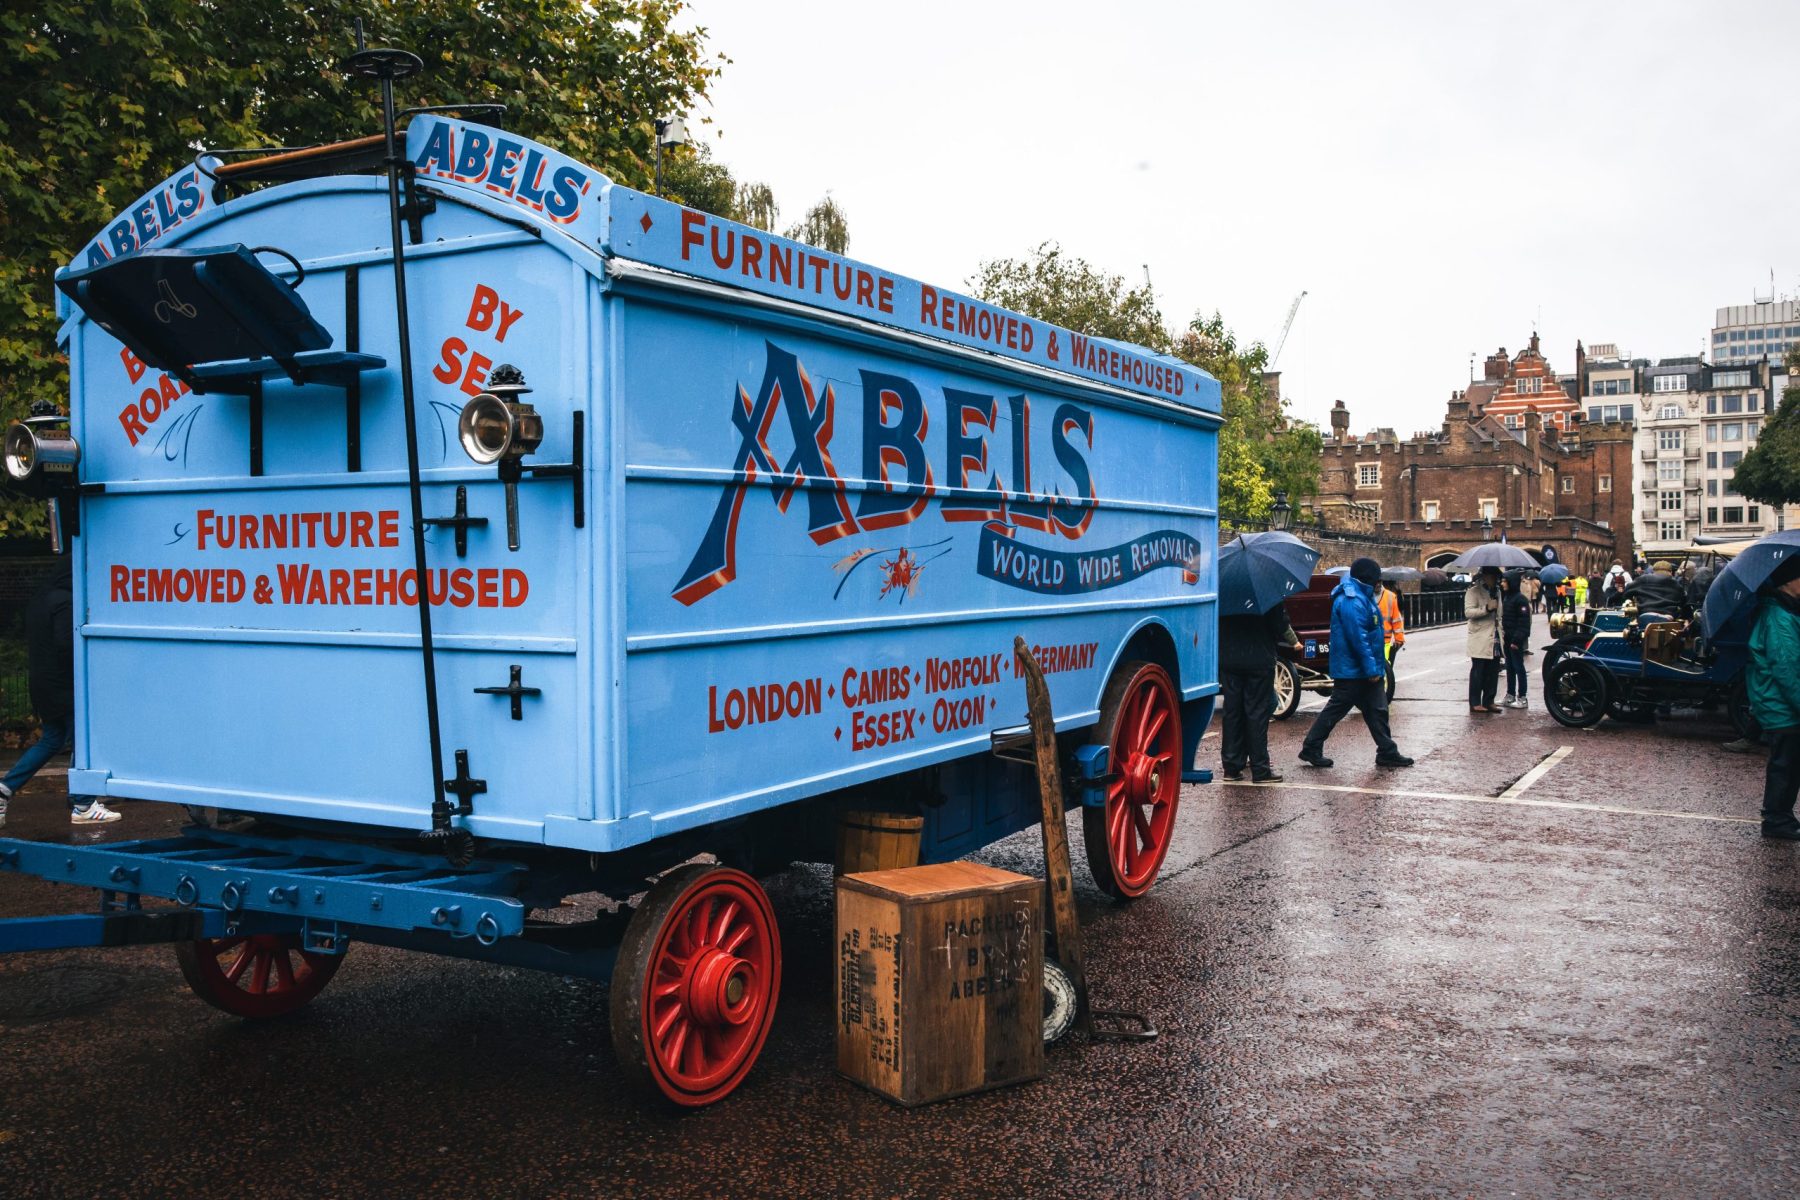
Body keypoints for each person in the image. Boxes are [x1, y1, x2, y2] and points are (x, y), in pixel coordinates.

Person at [0, 563, 121, 826]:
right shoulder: (65, 602)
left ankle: (4, 790)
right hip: (63, 685)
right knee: (83, 739)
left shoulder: (40, 600)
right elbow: (67, 645)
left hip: (42, 683)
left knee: (52, 739)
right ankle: (83, 803)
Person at [1298, 558, 1413, 770]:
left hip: (1361, 668)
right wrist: (1371, 669)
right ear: (1368, 579)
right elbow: (1358, 638)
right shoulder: (1352, 600)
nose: (1380, 584)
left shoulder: (1362, 596)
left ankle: (1387, 751)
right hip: (1353, 670)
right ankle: (1311, 747)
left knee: (1377, 709)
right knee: (1337, 710)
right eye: (1377, 579)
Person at [1745, 561, 1800, 840]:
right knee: (1785, 763)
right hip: (1780, 702)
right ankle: (1776, 820)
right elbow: (1787, 667)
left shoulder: (1785, 610)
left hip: (1782, 700)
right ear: (1788, 582)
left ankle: (1782, 817)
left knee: (1790, 762)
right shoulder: (1778, 616)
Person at [1219, 600, 1299, 783]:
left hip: (1229, 659)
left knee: (1232, 712)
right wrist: (1293, 641)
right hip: (1259, 659)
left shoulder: (1224, 588)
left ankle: (1231, 768)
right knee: (1256, 714)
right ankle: (1260, 769)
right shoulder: (1265, 590)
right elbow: (1280, 624)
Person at [1465, 566, 1504, 713]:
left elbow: (1500, 613)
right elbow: (1468, 612)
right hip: (1480, 635)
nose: (1495, 580)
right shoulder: (1473, 591)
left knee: (1493, 669)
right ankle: (1475, 702)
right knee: (1478, 670)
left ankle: (1489, 700)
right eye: (1493, 577)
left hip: (1495, 635)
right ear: (1485, 576)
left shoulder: (1498, 592)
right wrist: (1486, 609)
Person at [1501, 570, 1532, 708]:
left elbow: (1524, 623)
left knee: (1519, 667)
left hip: (1515, 639)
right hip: (1507, 638)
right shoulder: (1507, 597)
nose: (1502, 584)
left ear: (1511, 582)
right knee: (1510, 667)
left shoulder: (1520, 599)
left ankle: (1522, 697)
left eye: (1504, 581)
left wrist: (1516, 640)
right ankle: (1510, 695)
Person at [1377, 578, 1405, 693]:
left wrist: (1399, 638)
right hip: (1368, 639)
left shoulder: (1390, 596)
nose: (1377, 584)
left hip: (1385, 640)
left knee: (1384, 667)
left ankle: (1382, 692)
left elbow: (1396, 619)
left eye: (1378, 581)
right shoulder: (1364, 596)